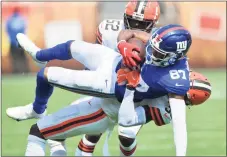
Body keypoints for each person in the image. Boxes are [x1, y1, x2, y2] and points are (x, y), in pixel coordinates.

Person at [7, 1, 161, 156]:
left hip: (132, 99)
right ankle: (39, 106)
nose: (135, 26)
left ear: (153, 23)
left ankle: (51, 131)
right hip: (104, 87)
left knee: (126, 136)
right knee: (46, 76)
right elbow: (92, 57)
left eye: (142, 24)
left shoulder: (160, 42)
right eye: (132, 21)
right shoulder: (109, 30)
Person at [24, 70, 211, 156]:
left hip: (107, 109)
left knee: (40, 132)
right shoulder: (171, 81)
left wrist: (130, 89)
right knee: (55, 134)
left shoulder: (166, 109)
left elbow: (127, 119)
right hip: (107, 98)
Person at [6, 7, 28, 73]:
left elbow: (7, 31)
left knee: (14, 58)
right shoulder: (22, 19)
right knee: (22, 58)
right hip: (21, 41)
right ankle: (25, 72)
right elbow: (24, 30)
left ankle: (16, 71)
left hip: (13, 42)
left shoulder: (9, 20)